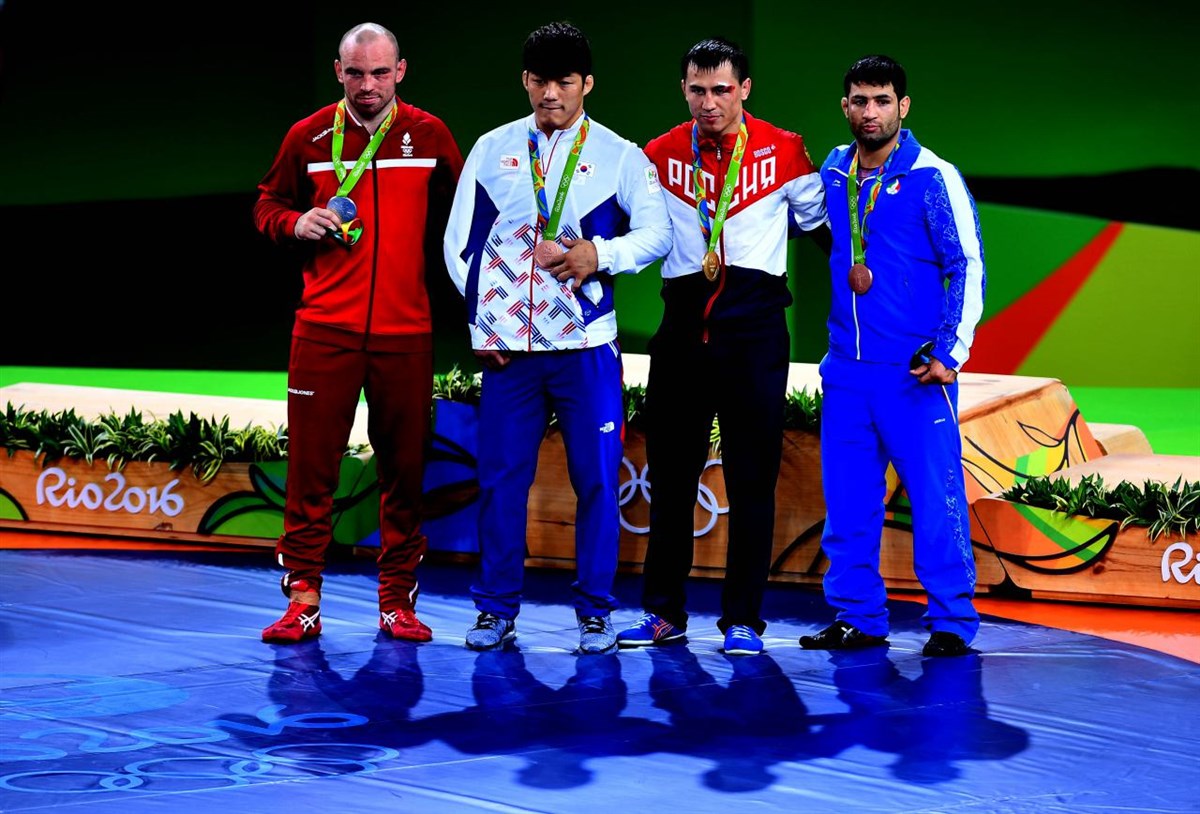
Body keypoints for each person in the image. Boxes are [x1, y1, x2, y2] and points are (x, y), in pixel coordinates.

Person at [443, 21, 671, 654]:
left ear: (587, 84)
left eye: (564, 82)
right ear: (525, 81)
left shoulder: (621, 155)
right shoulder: (492, 149)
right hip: (511, 353)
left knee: (595, 481)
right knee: (501, 481)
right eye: (540, 81)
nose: (551, 94)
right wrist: (484, 322)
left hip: (586, 349)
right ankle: (495, 610)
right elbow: (458, 242)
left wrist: (601, 254)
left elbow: (656, 234)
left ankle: (595, 613)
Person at [616, 37, 831, 656]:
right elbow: (635, 232)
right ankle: (663, 612)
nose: (708, 102)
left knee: (752, 481)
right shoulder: (659, 154)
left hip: (755, 338)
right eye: (697, 90)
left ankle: (743, 620)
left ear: (745, 89)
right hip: (682, 335)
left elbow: (823, 233)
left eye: (721, 89)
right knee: (671, 480)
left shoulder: (784, 149)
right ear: (683, 90)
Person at [253, 22, 464, 644]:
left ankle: (397, 601)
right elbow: (266, 204)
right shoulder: (308, 135)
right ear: (338, 72)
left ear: (401, 71)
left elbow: (469, 221)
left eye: (378, 72)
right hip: (323, 330)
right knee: (310, 471)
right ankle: (303, 600)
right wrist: (295, 223)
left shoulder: (430, 135)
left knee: (404, 470)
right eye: (355, 73)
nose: (367, 85)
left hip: (405, 330)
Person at [799, 54, 986, 657]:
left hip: (914, 373)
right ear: (845, 106)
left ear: (903, 106)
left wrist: (950, 351)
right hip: (847, 372)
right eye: (860, 100)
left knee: (935, 499)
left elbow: (967, 264)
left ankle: (952, 620)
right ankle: (857, 614)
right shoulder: (834, 170)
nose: (870, 112)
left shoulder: (933, 177)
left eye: (882, 101)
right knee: (849, 504)